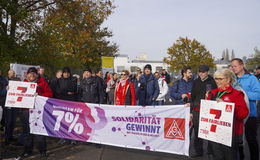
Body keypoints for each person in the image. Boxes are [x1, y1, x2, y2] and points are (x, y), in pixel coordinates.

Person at [207, 69, 249, 160]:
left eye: (220, 79)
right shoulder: (212, 93)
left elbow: (244, 114)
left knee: (230, 157)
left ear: (228, 79)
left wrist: (227, 106)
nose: (217, 81)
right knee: (217, 157)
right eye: (216, 79)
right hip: (214, 132)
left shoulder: (237, 94)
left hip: (231, 133)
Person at [17, 67, 53, 159]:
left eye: (34, 73)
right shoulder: (23, 83)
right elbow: (15, 94)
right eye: (30, 73)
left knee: (39, 131)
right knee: (27, 132)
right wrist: (9, 89)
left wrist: (40, 95)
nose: (32, 75)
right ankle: (27, 150)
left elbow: (50, 94)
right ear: (27, 75)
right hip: (26, 110)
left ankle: (42, 150)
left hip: (38, 111)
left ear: (37, 75)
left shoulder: (43, 82)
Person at [231, 58, 260, 160]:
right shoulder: (232, 79)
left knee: (251, 140)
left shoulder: (252, 78)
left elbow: (258, 94)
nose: (233, 68)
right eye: (232, 66)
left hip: (250, 115)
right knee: (238, 142)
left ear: (242, 65)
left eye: (235, 66)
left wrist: (243, 94)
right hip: (236, 115)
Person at [190, 64, 217, 158]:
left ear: (208, 72)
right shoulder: (195, 81)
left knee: (209, 133)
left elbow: (215, 96)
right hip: (197, 111)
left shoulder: (212, 82)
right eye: (200, 72)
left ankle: (211, 152)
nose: (201, 74)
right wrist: (191, 111)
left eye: (203, 72)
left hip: (209, 111)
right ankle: (198, 151)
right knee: (197, 132)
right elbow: (192, 96)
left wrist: (210, 97)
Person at [4, 70, 21, 145]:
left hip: (15, 104)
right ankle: (7, 139)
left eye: (14, 73)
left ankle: (11, 136)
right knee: (9, 121)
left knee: (13, 121)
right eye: (12, 73)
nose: (14, 74)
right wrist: (5, 89)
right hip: (8, 104)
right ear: (8, 74)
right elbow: (1, 92)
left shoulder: (16, 80)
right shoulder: (4, 80)